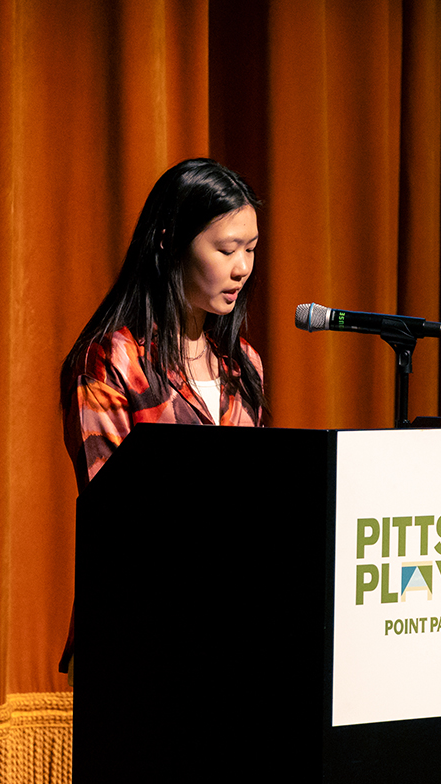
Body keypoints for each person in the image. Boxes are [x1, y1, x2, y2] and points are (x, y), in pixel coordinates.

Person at [56, 158, 266, 682]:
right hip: (137, 634)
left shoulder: (243, 364)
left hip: (230, 633)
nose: (242, 267)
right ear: (170, 242)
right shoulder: (110, 361)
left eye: (251, 249)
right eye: (225, 249)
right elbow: (116, 510)